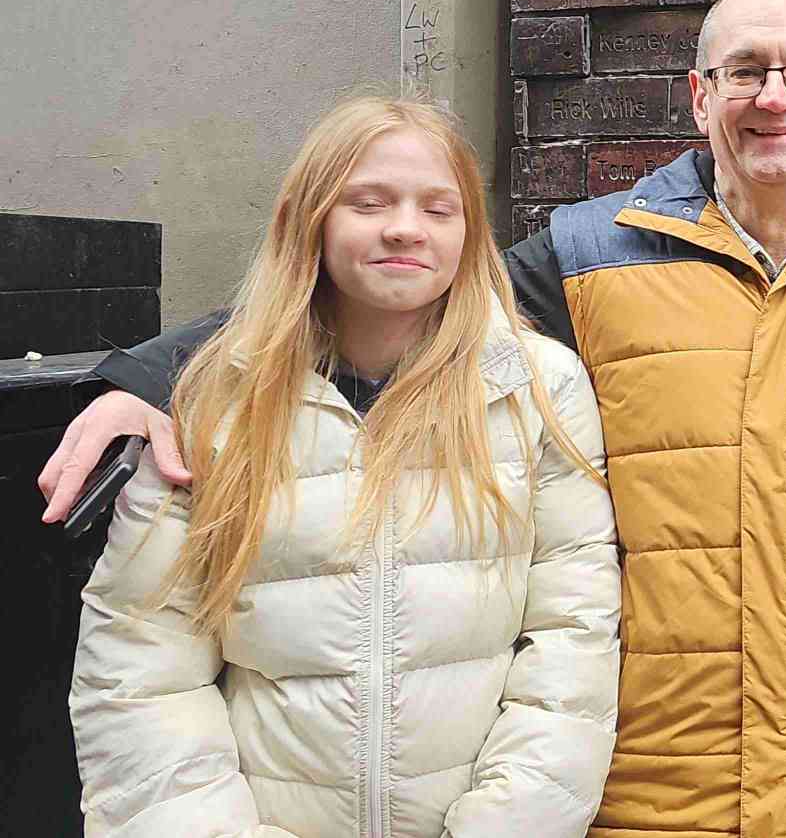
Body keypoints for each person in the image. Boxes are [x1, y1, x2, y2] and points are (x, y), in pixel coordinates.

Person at [43, 0, 786, 838]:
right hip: (656, 789)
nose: (775, 96)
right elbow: (396, 292)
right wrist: (148, 378)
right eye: (744, 70)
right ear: (701, 98)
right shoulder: (589, 258)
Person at [68, 96, 621, 835]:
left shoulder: (538, 390)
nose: (404, 227)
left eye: (438, 208)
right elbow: (141, 664)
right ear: (312, 220)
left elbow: (571, 646)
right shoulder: (208, 398)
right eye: (368, 202)